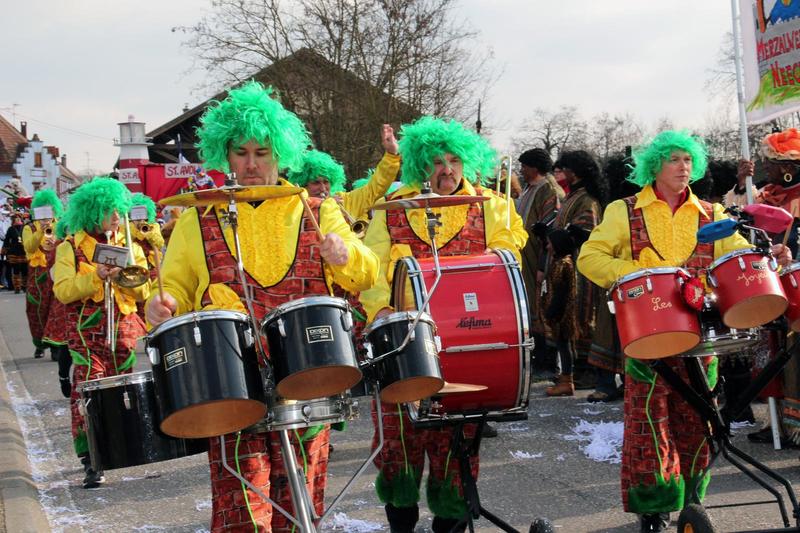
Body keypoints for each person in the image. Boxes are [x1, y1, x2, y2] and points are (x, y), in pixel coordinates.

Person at [144, 81, 378, 532]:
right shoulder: (199, 215)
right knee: (244, 514)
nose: (251, 164)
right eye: (241, 152)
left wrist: (345, 255)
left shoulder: (316, 209)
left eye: (262, 153)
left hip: (308, 378)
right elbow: (174, 289)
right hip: (230, 385)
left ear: (280, 154)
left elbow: (366, 274)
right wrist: (163, 306)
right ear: (224, 155)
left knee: (301, 509)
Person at [577, 130, 791, 532]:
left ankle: (694, 503)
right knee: (647, 423)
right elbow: (590, 257)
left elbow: (741, 258)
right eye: (674, 159)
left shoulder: (712, 213)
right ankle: (653, 509)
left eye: (688, 160)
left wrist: (771, 258)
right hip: (646, 331)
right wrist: (632, 273)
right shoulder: (623, 210)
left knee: (700, 421)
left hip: (702, 334)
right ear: (654, 165)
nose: (683, 167)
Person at [359, 116, 526, 533]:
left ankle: (450, 521)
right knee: (399, 441)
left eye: (454, 159)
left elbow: (509, 256)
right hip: (405, 343)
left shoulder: (492, 207)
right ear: (419, 165)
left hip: (469, 340)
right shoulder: (392, 211)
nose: (446, 169)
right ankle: (401, 518)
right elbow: (373, 271)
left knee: (458, 443)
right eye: (436, 161)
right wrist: (380, 310)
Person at [52, 176, 150, 489]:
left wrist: (124, 278)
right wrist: (97, 276)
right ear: (94, 212)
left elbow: (143, 290)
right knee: (88, 391)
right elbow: (64, 290)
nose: (117, 218)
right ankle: (90, 458)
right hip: (85, 333)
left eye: (119, 212)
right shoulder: (69, 248)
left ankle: (117, 447)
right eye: (111, 212)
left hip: (121, 331)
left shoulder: (129, 246)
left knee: (120, 391)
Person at [540, 150, 606, 391]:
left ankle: (583, 372)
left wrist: (561, 235)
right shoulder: (573, 196)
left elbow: (586, 230)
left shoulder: (587, 199)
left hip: (581, 269)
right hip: (564, 266)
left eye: (563, 169)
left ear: (574, 172)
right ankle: (570, 373)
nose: (559, 173)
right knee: (563, 316)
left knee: (579, 317)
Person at [516, 148, 564, 380]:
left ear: (535, 167)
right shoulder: (528, 189)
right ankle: (536, 361)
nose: (522, 171)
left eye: (524, 166)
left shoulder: (549, 190)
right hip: (526, 260)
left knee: (543, 311)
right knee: (531, 311)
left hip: (541, 262)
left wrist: (543, 266)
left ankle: (548, 365)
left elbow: (550, 230)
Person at [289, 125, 400, 222]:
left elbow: (374, 189)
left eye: (326, 182)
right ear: (303, 184)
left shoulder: (344, 201)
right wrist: (325, 205)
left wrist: (391, 155)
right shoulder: (294, 207)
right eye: (316, 182)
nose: (323, 188)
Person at [22, 188, 63, 358]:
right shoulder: (29, 228)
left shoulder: (59, 225)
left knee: (54, 309)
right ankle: (39, 343)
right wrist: (41, 230)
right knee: (36, 310)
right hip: (37, 276)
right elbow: (29, 247)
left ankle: (54, 345)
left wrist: (57, 241)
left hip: (55, 271)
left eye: (50, 209)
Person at [542, 228, 580, 396]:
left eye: (550, 243)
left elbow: (561, 292)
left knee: (564, 346)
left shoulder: (563, 264)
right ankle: (566, 379)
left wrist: (552, 311)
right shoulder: (561, 262)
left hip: (563, 315)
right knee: (563, 346)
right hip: (562, 313)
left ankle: (566, 381)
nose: (547, 246)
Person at [128, 193, 165, 319]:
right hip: (137, 268)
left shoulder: (153, 226)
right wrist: (135, 228)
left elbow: (159, 243)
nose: (139, 218)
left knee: (153, 302)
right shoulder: (126, 227)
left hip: (153, 271)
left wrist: (148, 232)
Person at [2, 212, 28, 293]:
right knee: (16, 270)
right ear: (13, 220)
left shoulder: (25, 228)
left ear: (21, 219)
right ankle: (17, 287)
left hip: (24, 252)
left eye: (19, 218)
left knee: (25, 270)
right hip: (14, 252)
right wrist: (4, 251)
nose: (17, 219)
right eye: (16, 218)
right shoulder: (11, 229)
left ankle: (25, 286)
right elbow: (6, 240)